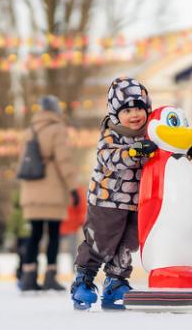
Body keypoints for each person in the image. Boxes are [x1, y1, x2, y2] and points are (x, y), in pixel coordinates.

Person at [70, 76, 158, 310]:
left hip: (136, 202)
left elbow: (167, 147)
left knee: (128, 244)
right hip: (106, 200)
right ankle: (83, 281)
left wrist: (186, 148)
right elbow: (108, 156)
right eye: (127, 109)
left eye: (139, 107)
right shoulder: (111, 133)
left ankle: (115, 283)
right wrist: (132, 151)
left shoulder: (150, 133)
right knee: (101, 241)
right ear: (114, 113)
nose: (134, 114)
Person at [19, 95, 80, 291]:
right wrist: (73, 187)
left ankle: (28, 276)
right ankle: (50, 276)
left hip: (31, 189)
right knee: (53, 234)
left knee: (34, 234)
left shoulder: (28, 131)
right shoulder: (57, 129)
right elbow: (64, 161)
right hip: (53, 190)